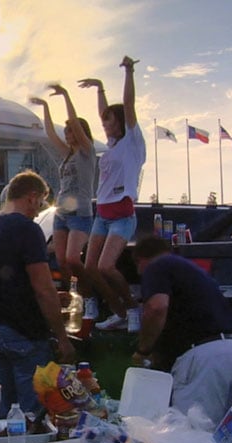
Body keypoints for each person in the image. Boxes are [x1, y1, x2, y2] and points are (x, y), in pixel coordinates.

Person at [0, 171, 75, 416]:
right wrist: (62, 337)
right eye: (39, 204)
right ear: (31, 197)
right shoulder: (28, 229)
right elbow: (43, 289)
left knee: (6, 411)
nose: (37, 212)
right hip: (26, 332)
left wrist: (7, 291)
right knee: (32, 414)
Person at [131, 235, 232, 424]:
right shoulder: (189, 271)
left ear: (140, 259)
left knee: (188, 434)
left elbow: (156, 308)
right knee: (212, 431)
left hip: (205, 357)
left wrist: (143, 349)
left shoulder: (157, 265)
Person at [78, 55, 146, 332]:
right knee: (90, 268)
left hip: (122, 214)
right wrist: (99, 89)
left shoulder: (132, 142)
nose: (105, 124)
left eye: (109, 120)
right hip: (102, 214)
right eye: (103, 122)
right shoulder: (112, 145)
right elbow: (102, 113)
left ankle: (132, 308)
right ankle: (118, 311)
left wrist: (128, 71)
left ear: (121, 121)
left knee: (106, 267)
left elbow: (128, 105)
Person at [30, 84, 96, 286]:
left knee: (73, 258)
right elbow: (50, 134)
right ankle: (76, 293)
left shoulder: (86, 151)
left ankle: (89, 292)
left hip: (80, 213)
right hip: (61, 213)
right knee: (61, 260)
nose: (67, 135)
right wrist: (45, 107)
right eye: (66, 132)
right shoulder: (68, 154)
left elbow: (75, 123)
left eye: (70, 131)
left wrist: (66, 95)